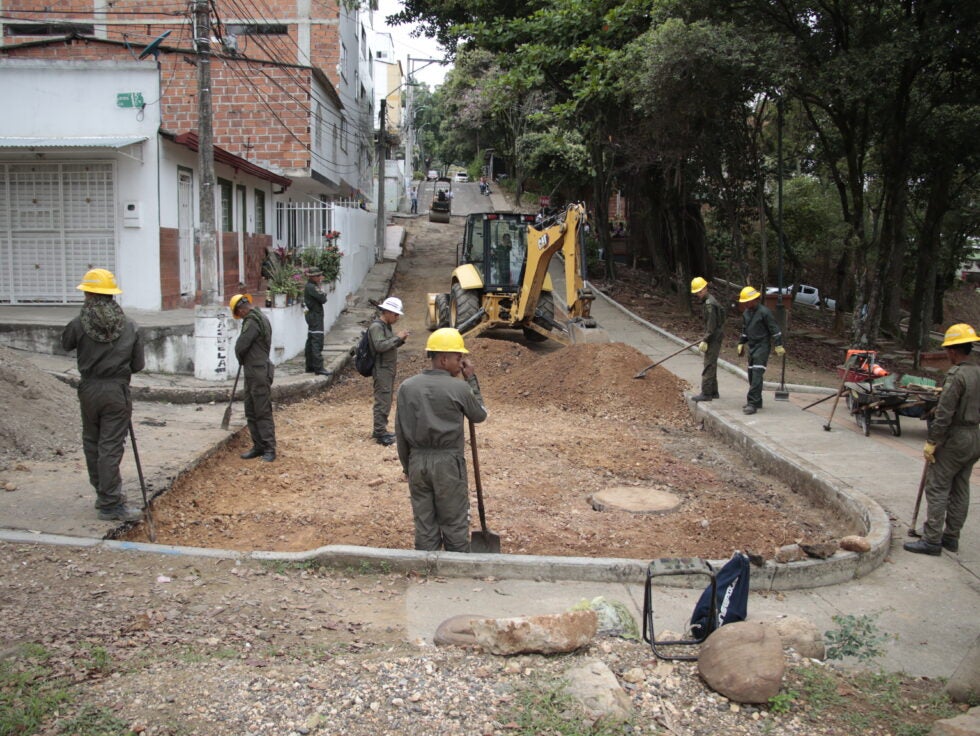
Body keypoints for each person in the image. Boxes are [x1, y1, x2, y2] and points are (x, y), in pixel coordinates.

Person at [61, 268, 145, 521]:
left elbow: (65, 344)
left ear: (88, 293)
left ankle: (103, 493)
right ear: (112, 295)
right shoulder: (130, 325)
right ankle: (110, 503)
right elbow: (138, 365)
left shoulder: (78, 324)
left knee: (92, 442)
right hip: (116, 390)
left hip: (89, 390)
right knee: (110, 446)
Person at [395, 328, 488, 552]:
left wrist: (407, 466)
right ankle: (456, 571)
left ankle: (428, 569)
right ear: (444, 359)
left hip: (417, 462)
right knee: (454, 519)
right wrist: (471, 379)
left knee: (424, 522)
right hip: (448, 464)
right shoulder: (460, 387)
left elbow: (400, 431)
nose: (462, 363)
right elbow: (480, 415)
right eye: (459, 358)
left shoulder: (407, 387)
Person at [904, 323, 980, 556]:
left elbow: (944, 413)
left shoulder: (956, 376)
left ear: (954, 350)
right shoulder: (978, 372)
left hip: (955, 437)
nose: (947, 353)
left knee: (937, 486)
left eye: (948, 349)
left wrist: (932, 441)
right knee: (960, 487)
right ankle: (951, 537)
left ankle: (932, 539)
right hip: (975, 435)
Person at [231, 293, 276, 462]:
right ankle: (258, 446)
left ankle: (269, 449)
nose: (240, 316)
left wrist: (240, 356)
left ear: (241, 310)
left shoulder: (252, 322)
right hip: (253, 371)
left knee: (261, 411)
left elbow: (241, 346)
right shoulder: (259, 316)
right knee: (251, 410)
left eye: (238, 314)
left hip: (258, 372)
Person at [736, 285, 784, 415]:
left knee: (757, 374)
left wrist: (778, 344)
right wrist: (741, 343)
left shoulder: (764, 312)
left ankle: (752, 403)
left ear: (754, 300)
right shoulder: (746, 313)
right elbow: (745, 330)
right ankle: (757, 400)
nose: (745, 304)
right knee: (752, 374)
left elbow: (775, 330)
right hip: (752, 346)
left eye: (746, 301)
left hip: (762, 346)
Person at [369, 296, 410, 446]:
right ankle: (379, 432)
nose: (397, 317)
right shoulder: (377, 327)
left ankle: (381, 430)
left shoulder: (385, 327)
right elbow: (380, 346)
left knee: (386, 400)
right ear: (387, 312)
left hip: (387, 368)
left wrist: (400, 340)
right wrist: (397, 338)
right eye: (395, 314)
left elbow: (387, 346)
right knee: (383, 400)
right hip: (381, 369)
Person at [690, 277, 725, 402]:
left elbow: (711, 325)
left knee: (708, 364)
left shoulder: (710, 304)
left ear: (705, 288)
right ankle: (713, 391)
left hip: (714, 336)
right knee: (712, 363)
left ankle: (706, 393)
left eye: (700, 291)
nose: (698, 294)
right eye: (697, 292)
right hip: (714, 334)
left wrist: (705, 339)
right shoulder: (708, 301)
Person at [303, 268, 331, 377]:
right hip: (315, 317)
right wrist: (321, 289)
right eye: (318, 276)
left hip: (312, 316)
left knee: (310, 340)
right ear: (313, 277)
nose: (320, 278)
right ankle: (318, 368)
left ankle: (310, 366)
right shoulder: (312, 287)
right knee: (316, 341)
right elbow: (323, 299)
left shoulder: (310, 286)